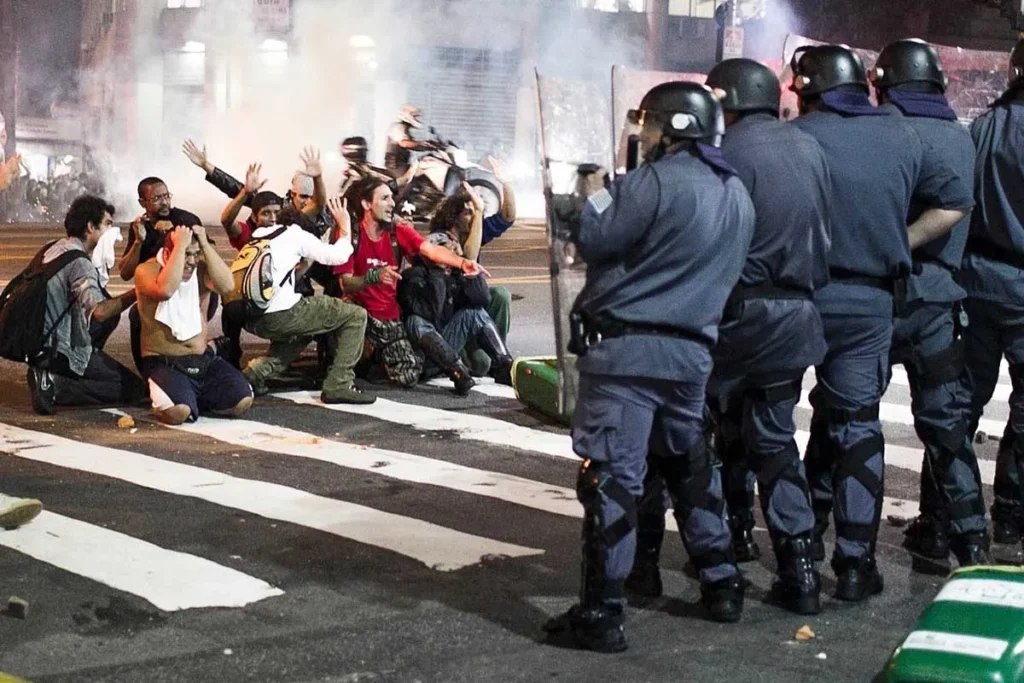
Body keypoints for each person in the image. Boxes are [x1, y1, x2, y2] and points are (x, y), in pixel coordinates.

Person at [543, 82, 755, 653]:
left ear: (673, 128)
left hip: (627, 358)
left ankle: (601, 613)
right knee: (689, 465)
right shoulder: (735, 192)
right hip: (692, 358)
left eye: (651, 125)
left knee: (613, 478)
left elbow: (594, 233)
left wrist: (593, 193)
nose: (645, 135)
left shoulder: (653, 181)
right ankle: (722, 583)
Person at [626, 58, 832, 615]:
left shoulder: (719, 155)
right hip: (795, 318)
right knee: (774, 442)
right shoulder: (808, 146)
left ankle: (702, 563)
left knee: (688, 443)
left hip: (732, 316)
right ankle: (800, 572)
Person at [790, 45, 972, 600]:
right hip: (913, 302)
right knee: (902, 428)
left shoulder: (805, 138)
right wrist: (898, 242)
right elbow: (957, 201)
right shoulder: (944, 136)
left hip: (825, 297)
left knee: (796, 423)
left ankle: (799, 549)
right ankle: (957, 546)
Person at [870, 38, 989, 566]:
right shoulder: (960, 137)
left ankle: (847, 554)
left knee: (849, 420)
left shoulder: (883, 132)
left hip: (881, 300)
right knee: (948, 429)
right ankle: (971, 539)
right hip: (938, 306)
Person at [959, 37, 1024, 550]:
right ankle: (1011, 514)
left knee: (962, 403)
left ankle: (948, 513)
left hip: (980, 281)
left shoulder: (985, 127)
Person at [335, 178, 489, 387]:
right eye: (385, 198)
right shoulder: (351, 235)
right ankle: (347, 368)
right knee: (348, 315)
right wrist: (373, 277)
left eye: (392, 198)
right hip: (361, 314)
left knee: (408, 377)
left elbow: (430, 250)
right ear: (366, 204)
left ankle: (378, 361)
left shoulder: (397, 231)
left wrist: (462, 263)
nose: (392, 203)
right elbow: (346, 284)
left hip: (388, 318)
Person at [243, 196, 374, 405]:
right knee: (355, 315)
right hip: (282, 314)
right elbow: (338, 256)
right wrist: (344, 224)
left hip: (253, 317)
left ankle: (256, 373)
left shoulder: (257, 237)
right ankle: (339, 383)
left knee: (307, 327)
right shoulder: (294, 233)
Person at [27, 195, 147, 415]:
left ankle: (54, 371)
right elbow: (100, 312)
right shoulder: (79, 263)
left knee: (110, 313)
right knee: (136, 390)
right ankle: (56, 385)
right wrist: (140, 291)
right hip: (60, 346)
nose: (112, 231)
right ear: (91, 227)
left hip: (37, 340)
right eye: (107, 224)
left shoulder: (53, 248)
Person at [134, 223, 253, 425]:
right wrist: (180, 246)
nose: (191, 261)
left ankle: (192, 396)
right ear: (168, 253)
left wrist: (205, 245)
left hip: (202, 360)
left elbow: (227, 286)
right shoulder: (147, 270)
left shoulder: (200, 271)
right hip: (165, 362)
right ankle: (177, 397)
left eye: (196, 254)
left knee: (242, 401)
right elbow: (166, 290)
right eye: (187, 254)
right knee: (179, 412)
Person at [398, 231, 513, 395]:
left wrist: (469, 274)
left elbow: (482, 299)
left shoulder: (454, 274)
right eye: (446, 251)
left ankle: (504, 365)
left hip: (449, 345)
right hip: (424, 356)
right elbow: (432, 312)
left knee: (474, 313)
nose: (451, 255)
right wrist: (437, 272)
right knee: (416, 322)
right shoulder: (413, 276)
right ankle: (457, 371)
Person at [384, 105, 437, 179]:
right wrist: (420, 143)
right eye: (415, 116)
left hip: (401, 163)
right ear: (408, 116)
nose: (417, 119)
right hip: (395, 165)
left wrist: (429, 147)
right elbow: (404, 143)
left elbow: (413, 146)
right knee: (410, 181)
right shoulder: (399, 127)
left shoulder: (405, 128)